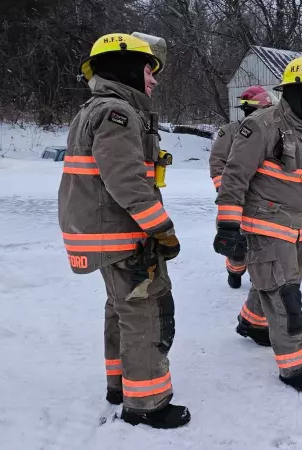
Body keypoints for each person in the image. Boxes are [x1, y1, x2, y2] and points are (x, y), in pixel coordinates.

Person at [58, 32, 190, 429]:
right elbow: (127, 182)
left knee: (120, 309)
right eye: (149, 70)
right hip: (122, 234)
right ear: (128, 68)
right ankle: (147, 403)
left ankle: (120, 385)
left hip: (107, 233)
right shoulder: (118, 112)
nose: (153, 80)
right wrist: (162, 229)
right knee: (145, 313)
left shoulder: (97, 109)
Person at [213, 55, 302, 392]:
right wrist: (228, 226)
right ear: (298, 92)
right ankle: (295, 366)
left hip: (297, 228)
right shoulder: (262, 126)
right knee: (286, 296)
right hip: (265, 225)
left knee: (272, 282)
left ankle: (252, 323)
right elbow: (234, 177)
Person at [209, 85, 273, 288]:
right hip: (236, 200)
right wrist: (227, 191)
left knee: (261, 242)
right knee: (235, 244)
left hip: (263, 201)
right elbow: (217, 163)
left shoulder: (273, 132)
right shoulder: (230, 132)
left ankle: (258, 277)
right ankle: (235, 271)